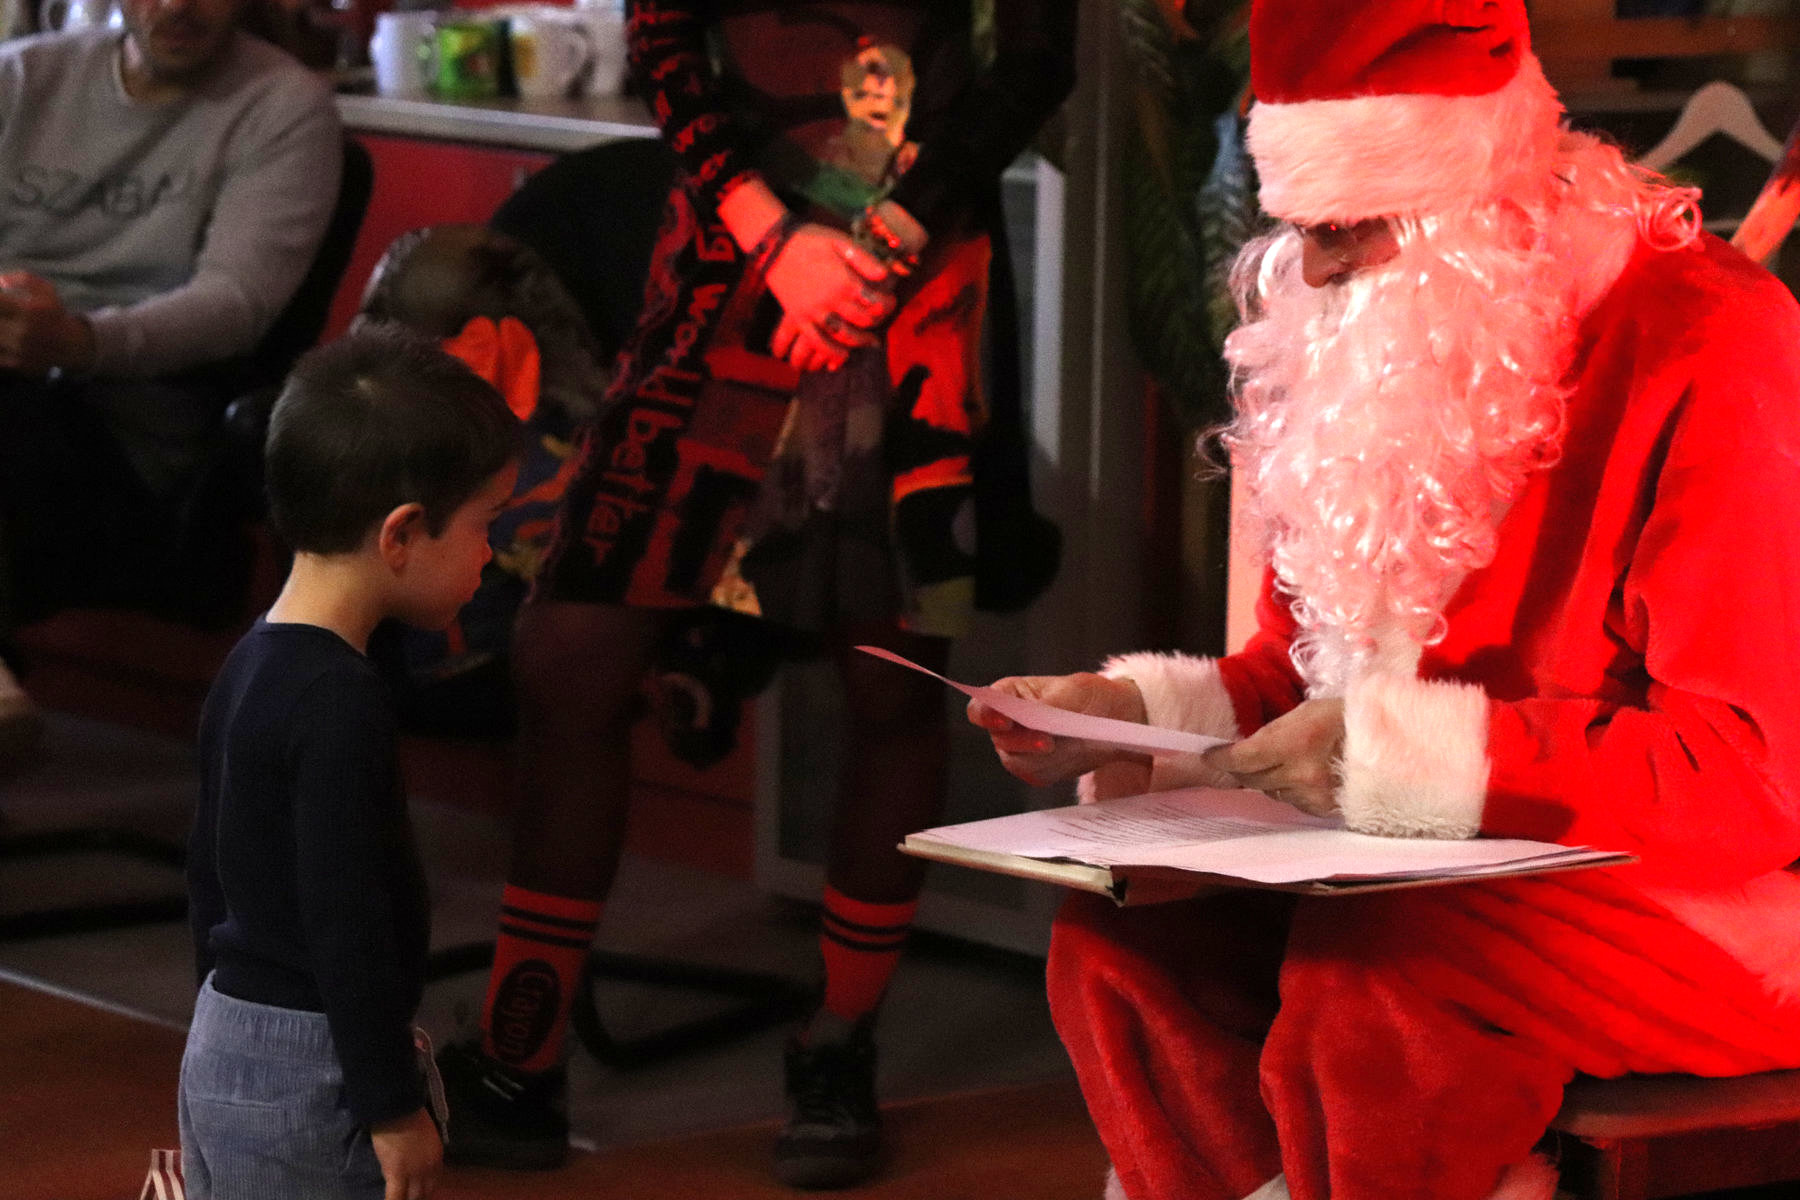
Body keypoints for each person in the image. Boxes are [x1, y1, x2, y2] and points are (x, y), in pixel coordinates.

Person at [967, 3, 1800, 1199]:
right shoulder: (1393, 345)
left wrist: (1407, 759)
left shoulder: (1711, 338)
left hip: (1712, 905)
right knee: (1124, 940)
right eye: (1299, 227)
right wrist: (1126, 715)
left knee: (1377, 971)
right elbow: (1305, 680)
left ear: (1472, 194)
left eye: (1347, 229)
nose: (1312, 273)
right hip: (1423, 871)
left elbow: (1753, 776)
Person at [434, 0, 1075, 1188]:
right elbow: (664, 42)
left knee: (891, 684)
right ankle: (520, 1055)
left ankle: (837, 1049)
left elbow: (1037, 61)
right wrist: (775, 235)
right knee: (571, 652)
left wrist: (893, 231)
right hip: (723, 265)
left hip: (922, 270)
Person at [179, 328, 521, 1200]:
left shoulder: (249, 660)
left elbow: (208, 873)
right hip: (315, 1063)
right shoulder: (340, 699)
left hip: (222, 1035)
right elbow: (348, 920)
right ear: (402, 533)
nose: (491, 555)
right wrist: (393, 1108)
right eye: (484, 526)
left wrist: (214, 1030)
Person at [0, 0, 342, 759]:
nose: (181, 5)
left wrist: (77, 340)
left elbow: (236, 304)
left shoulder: (281, 106)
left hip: (129, 439)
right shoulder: (23, 77)